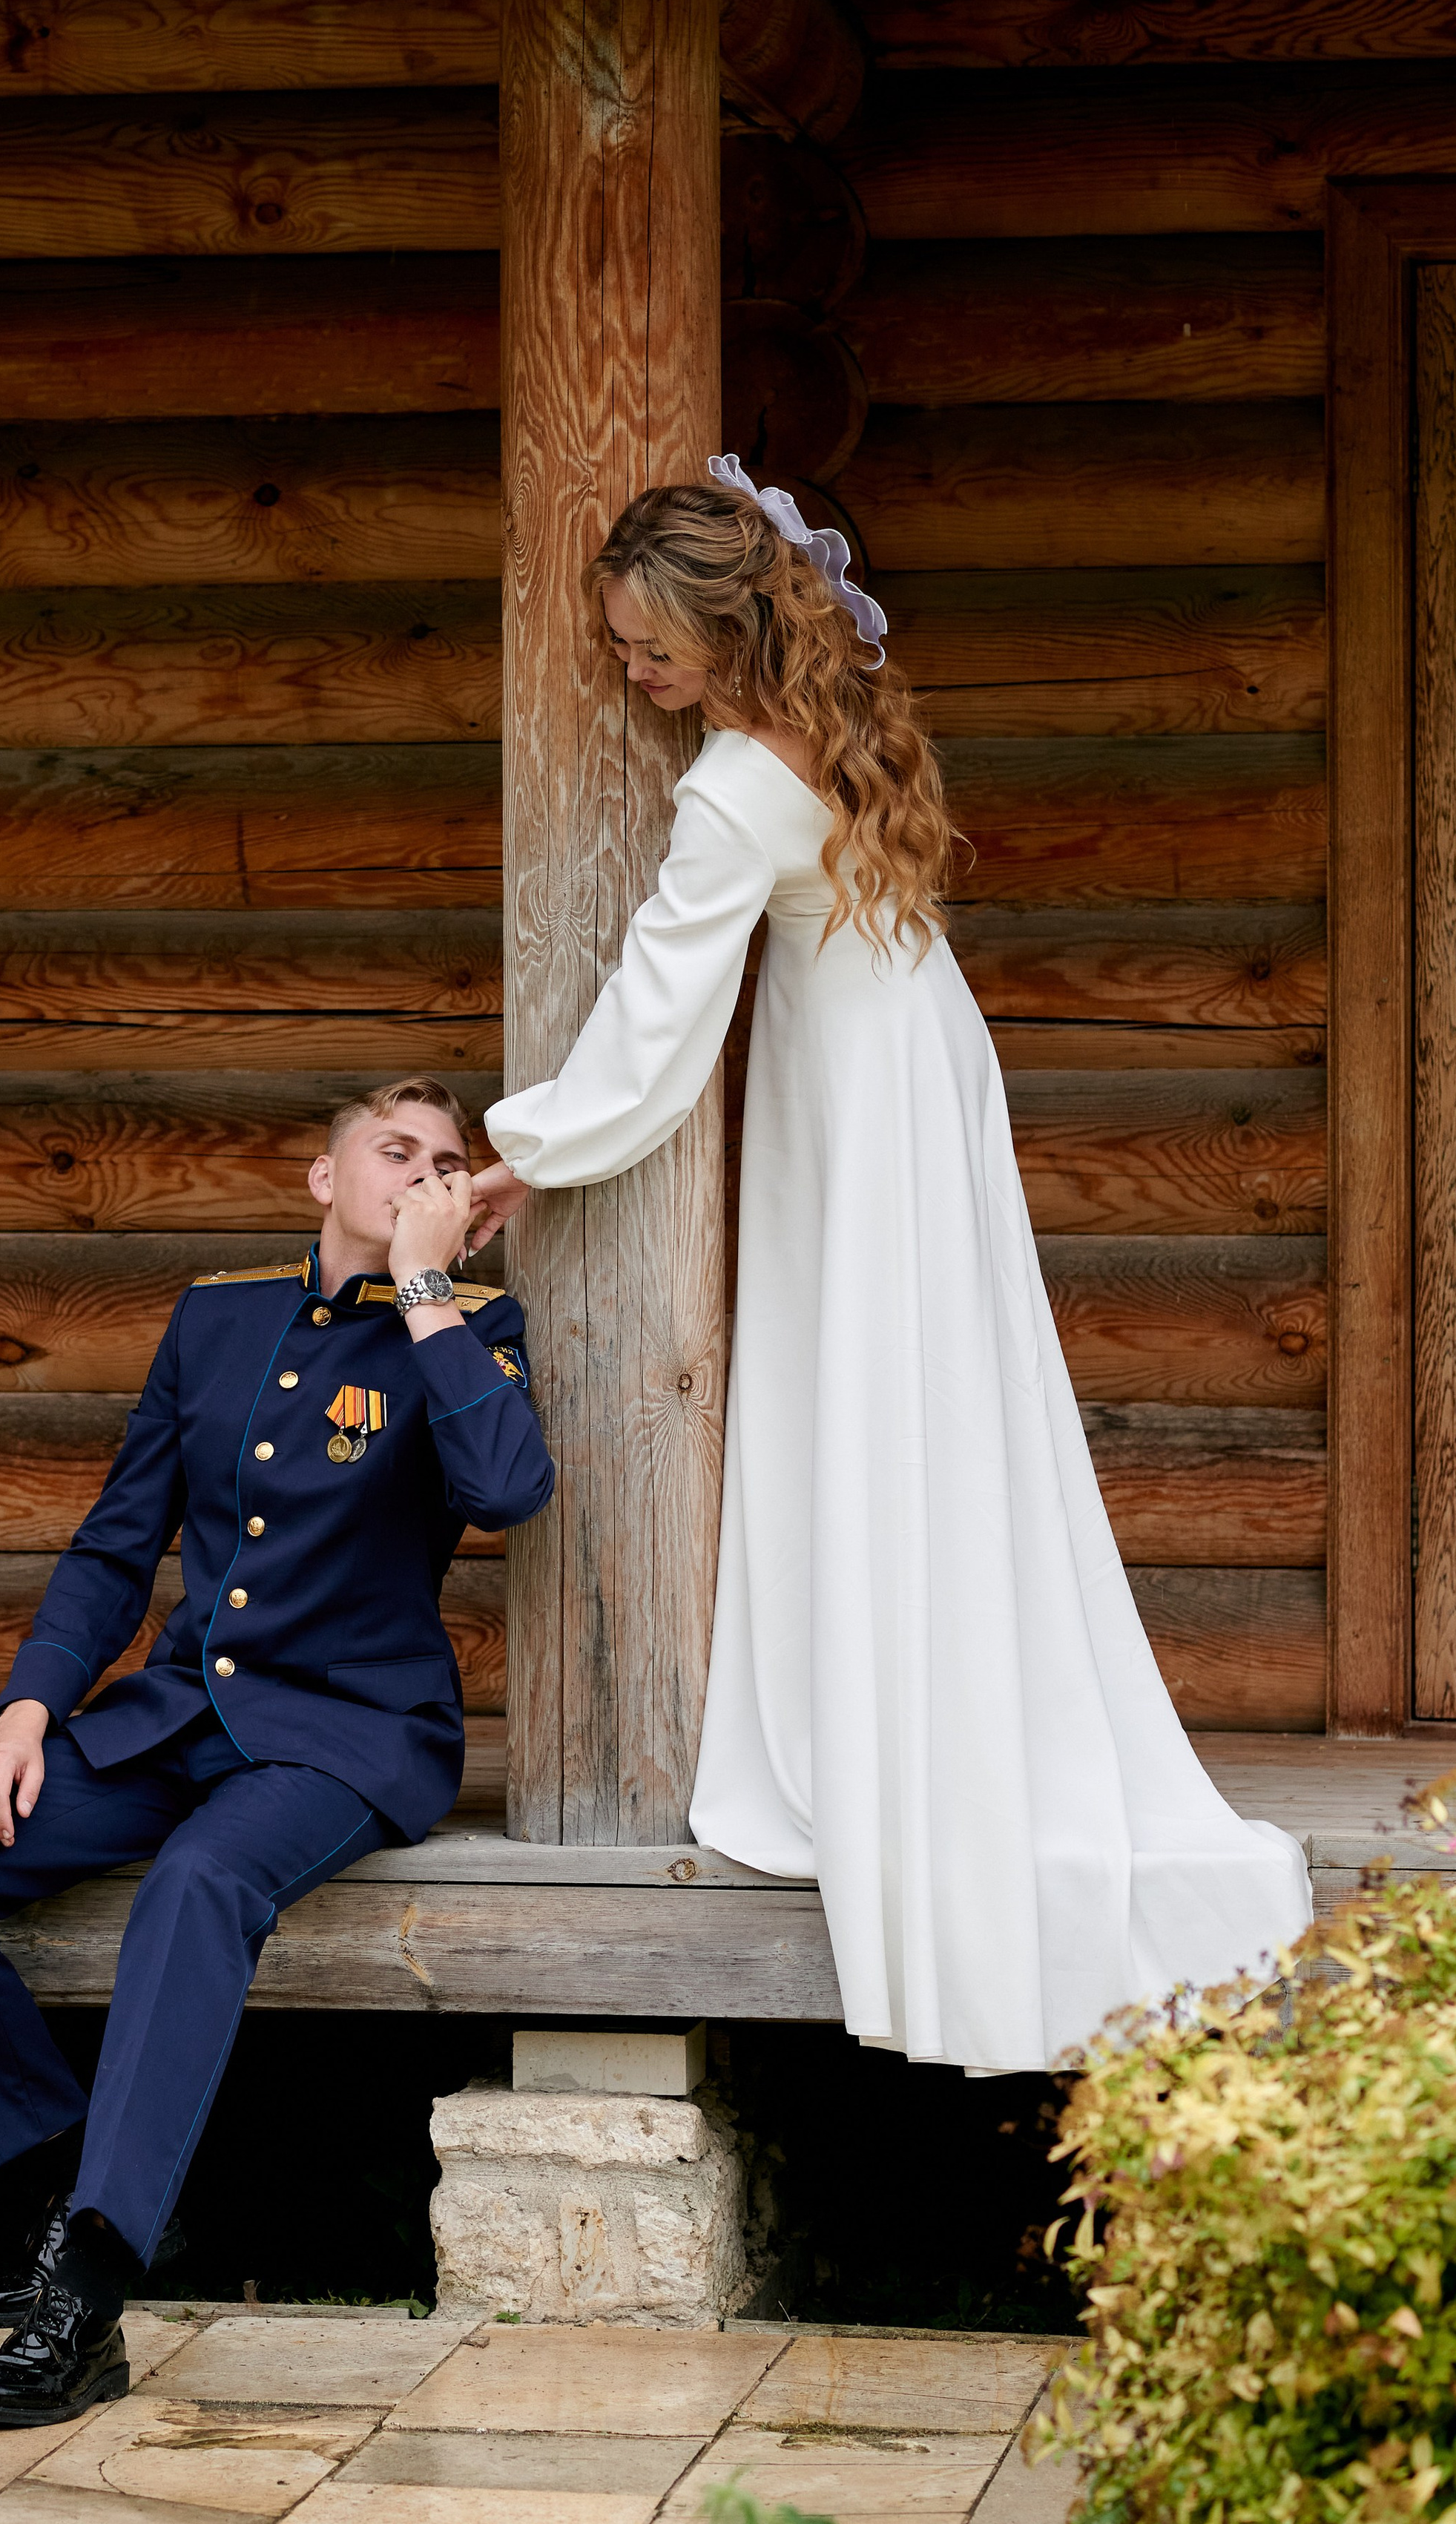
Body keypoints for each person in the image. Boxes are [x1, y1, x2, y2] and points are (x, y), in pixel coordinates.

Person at [466, 456, 1312, 2078]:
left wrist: (528, 1143)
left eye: (646, 648)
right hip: (915, 1063)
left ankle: (893, 1730)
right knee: (931, 1390)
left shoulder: (729, 784)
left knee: (866, 1392)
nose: (627, 674)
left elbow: (656, 1022)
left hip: (857, 1107)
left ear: (719, 631)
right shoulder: (830, 717)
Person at [0, 1077, 553, 2425]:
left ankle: (85, 2297)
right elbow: (120, 1540)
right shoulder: (218, 1316)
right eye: (393, 1151)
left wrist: (425, 1291)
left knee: (197, 1885)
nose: (421, 1175)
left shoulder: (473, 1331)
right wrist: (29, 1711)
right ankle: (71, 2191)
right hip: (179, 1714)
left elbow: (509, 1490)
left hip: (351, 1736)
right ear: (320, 1178)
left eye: (448, 1164)